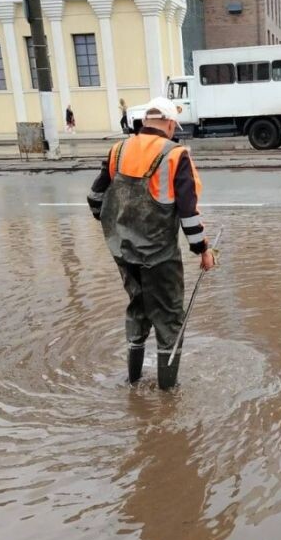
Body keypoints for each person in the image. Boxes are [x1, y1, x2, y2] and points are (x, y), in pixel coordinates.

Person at [87, 97, 215, 389]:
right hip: (160, 257)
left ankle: (133, 382)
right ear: (170, 124)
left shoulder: (118, 150)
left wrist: (117, 231)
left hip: (123, 253)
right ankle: (168, 393)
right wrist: (203, 250)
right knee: (169, 320)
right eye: (174, 127)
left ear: (144, 123)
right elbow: (188, 216)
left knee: (137, 308)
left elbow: (95, 199)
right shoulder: (175, 155)